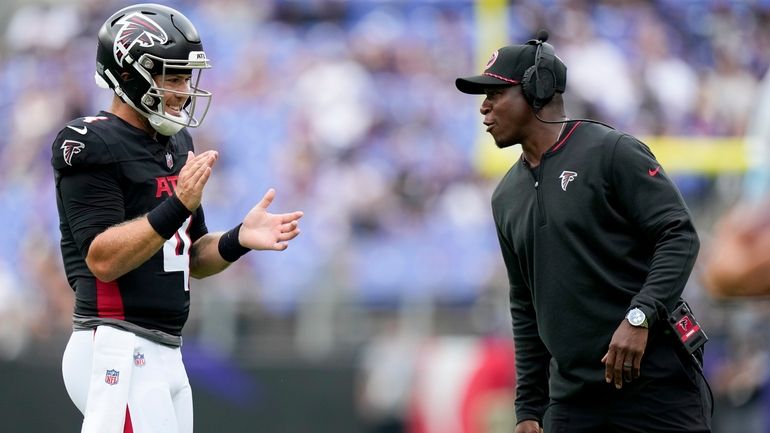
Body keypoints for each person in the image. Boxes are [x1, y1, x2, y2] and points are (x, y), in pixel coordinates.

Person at [51, 4, 303, 433]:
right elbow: (103, 259)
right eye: (173, 76)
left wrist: (238, 238)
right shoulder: (90, 141)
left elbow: (191, 256)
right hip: (114, 343)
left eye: (187, 76)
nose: (184, 90)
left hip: (165, 349)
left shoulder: (176, 141)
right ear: (128, 73)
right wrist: (177, 205)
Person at [455, 31, 712, 433]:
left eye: (495, 94)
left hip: (654, 387)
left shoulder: (611, 152)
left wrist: (640, 315)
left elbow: (679, 234)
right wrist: (527, 408)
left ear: (537, 90)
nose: (484, 108)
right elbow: (525, 304)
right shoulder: (505, 195)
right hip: (574, 401)